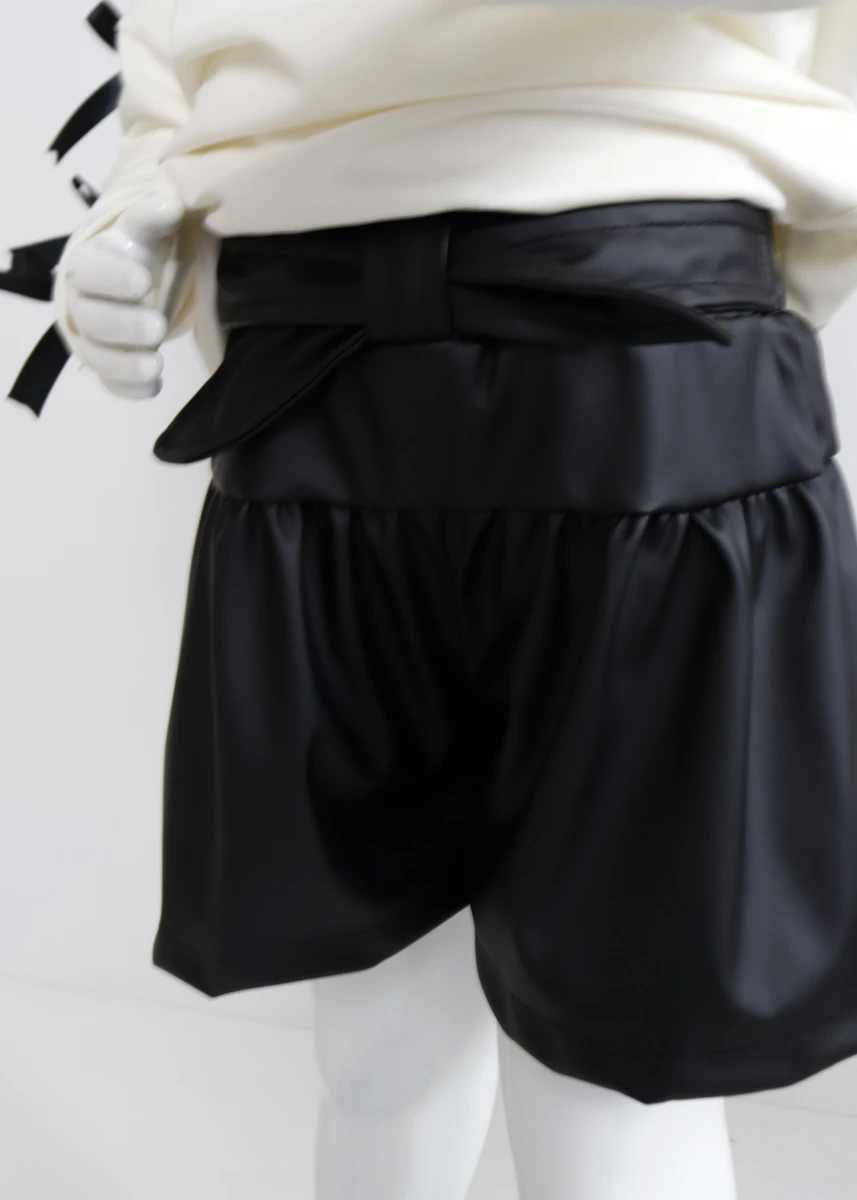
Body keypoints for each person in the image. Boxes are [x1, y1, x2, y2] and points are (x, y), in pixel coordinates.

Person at [52, 1, 857, 1196]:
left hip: (637, 357)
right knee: (377, 1043)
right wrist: (133, 215)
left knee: (615, 1075)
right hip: (309, 382)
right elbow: (176, 63)